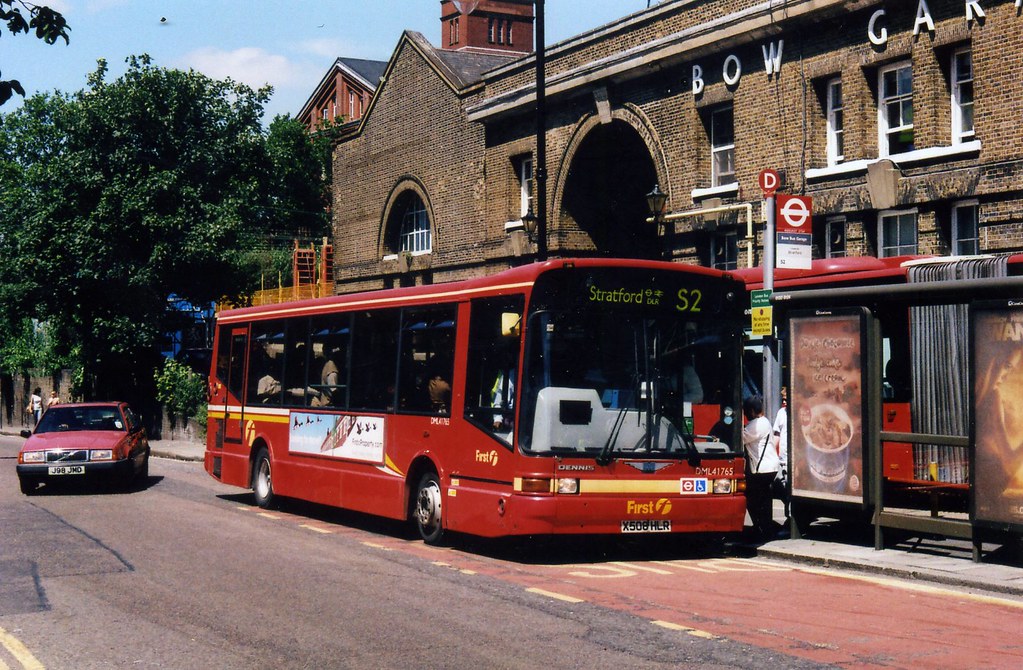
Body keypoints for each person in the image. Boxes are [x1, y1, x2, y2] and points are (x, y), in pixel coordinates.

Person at [743, 395, 779, 539]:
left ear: (752, 411)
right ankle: (764, 527)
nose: (745, 415)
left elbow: (740, 437)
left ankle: (761, 527)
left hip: (762, 469)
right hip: (770, 467)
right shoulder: (765, 421)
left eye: (746, 412)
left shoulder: (756, 425)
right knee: (763, 498)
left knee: (751, 497)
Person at [772, 386, 790, 518]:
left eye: (786, 400)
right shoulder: (781, 413)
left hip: (793, 459)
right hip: (782, 458)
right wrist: (773, 452)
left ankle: (789, 518)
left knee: (789, 489)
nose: (784, 402)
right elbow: (777, 434)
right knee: (781, 486)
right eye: (783, 400)